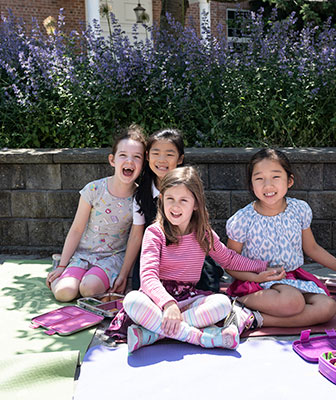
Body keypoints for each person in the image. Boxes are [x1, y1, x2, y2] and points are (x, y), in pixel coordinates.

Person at [118, 166, 271, 353]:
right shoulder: (154, 233)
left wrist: (261, 266)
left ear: (195, 204)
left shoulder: (203, 234)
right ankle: (202, 338)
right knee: (132, 301)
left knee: (222, 304)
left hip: (188, 301)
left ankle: (152, 334)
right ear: (161, 200)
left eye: (183, 200)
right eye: (170, 199)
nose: (175, 206)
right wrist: (168, 304)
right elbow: (148, 277)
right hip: (157, 301)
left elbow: (228, 259)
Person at [223, 149, 336, 331]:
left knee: (328, 307)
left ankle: (255, 318)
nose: (268, 185)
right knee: (292, 301)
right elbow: (230, 264)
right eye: (259, 178)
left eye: (275, 177)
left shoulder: (298, 210)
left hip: (292, 279)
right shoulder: (242, 219)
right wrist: (257, 276)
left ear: (290, 181)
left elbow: (312, 248)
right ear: (251, 184)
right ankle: (238, 302)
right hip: (256, 283)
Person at [46, 125, 146, 300]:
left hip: (112, 258)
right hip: (83, 254)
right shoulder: (93, 189)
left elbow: (135, 238)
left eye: (136, 157)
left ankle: (94, 283)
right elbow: (77, 229)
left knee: (89, 289)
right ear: (112, 160)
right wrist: (62, 266)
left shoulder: (139, 198)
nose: (129, 161)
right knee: (64, 293)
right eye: (123, 155)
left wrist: (124, 274)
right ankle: (61, 265)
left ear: (142, 164)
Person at [129, 128, 223, 292]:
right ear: (147, 156)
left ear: (180, 159)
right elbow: (136, 235)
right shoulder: (141, 194)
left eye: (169, 154)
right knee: (140, 292)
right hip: (158, 257)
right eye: (156, 153)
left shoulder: (189, 187)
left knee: (208, 291)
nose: (162, 159)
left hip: (189, 256)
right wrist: (124, 274)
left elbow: (203, 230)